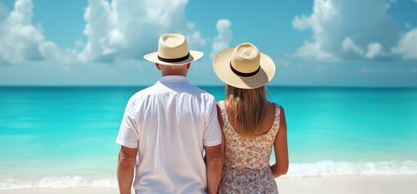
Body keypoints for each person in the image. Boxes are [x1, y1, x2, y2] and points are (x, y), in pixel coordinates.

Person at [116, 34, 223, 194]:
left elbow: (126, 159)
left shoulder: (137, 101)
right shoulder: (206, 101)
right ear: (188, 64)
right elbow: (214, 159)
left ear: (158, 65)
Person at [212, 43, 289, 194]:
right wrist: (261, 176)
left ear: (230, 79)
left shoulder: (220, 111)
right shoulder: (278, 112)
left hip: (230, 189)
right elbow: (282, 168)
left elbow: (216, 161)